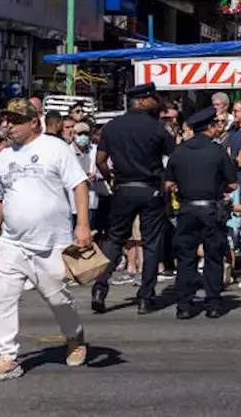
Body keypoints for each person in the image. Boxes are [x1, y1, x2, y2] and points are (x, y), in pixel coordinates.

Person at [0, 98, 91, 383]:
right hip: (13, 243)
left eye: (16, 121)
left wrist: (82, 225)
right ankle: (7, 356)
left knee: (57, 297)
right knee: (4, 298)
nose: (10, 126)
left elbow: (78, 184)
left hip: (51, 243)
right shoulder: (5, 155)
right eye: (8, 120)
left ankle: (75, 337)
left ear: (34, 122)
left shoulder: (55, 148)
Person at [92, 83, 177, 316]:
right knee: (151, 244)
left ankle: (100, 288)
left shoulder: (112, 127)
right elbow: (175, 157)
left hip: (123, 188)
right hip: (151, 190)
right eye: (152, 99)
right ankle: (145, 297)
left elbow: (100, 159)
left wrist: (111, 177)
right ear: (141, 101)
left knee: (114, 241)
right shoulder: (158, 129)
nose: (155, 102)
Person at [165, 111, 237, 319]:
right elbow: (232, 184)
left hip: (186, 209)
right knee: (213, 256)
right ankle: (213, 302)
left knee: (186, 258)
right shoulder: (217, 151)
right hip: (211, 209)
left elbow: (168, 183)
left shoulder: (179, 151)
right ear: (210, 127)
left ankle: (185, 305)